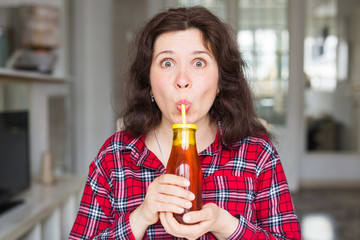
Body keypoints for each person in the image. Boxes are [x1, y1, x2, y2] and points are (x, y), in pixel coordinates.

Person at [69, 6, 302, 240]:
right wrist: (140, 217)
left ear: (220, 81)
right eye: (167, 63)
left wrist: (226, 225)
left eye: (199, 63)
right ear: (148, 81)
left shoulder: (256, 154)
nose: (182, 80)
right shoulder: (115, 157)